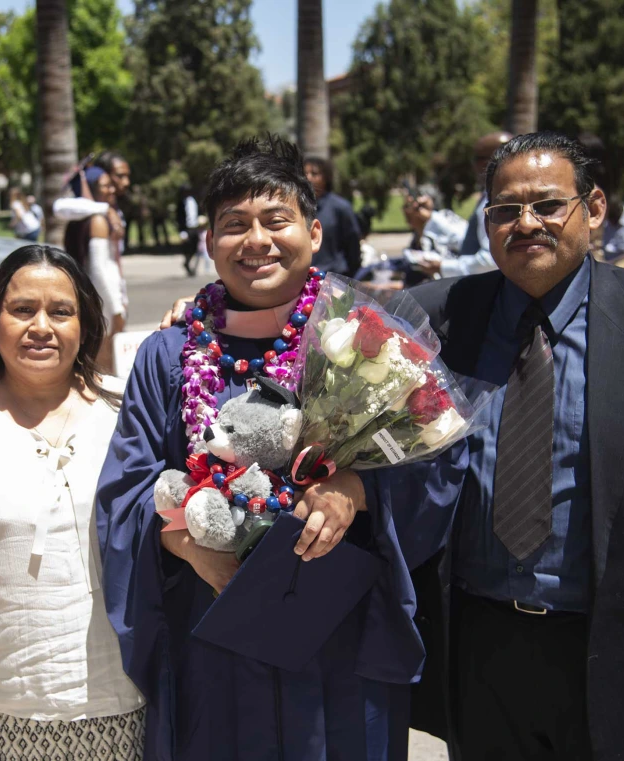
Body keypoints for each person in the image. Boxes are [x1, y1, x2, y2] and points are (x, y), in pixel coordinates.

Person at [97, 135, 466, 760]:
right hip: (212, 639)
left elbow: (442, 466)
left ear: (314, 233)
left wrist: (361, 487)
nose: (257, 240)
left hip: (338, 638)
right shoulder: (167, 356)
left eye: (276, 220)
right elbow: (124, 492)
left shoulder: (367, 341)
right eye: (234, 225)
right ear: (209, 243)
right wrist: (183, 541)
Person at [406, 132, 624, 761]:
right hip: (479, 642)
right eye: (505, 210)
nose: (527, 223)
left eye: (547, 205)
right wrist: (206, 317)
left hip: (618, 633)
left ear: (593, 209)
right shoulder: (435, 319)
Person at [0, 245, 145, 760]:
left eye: (60, 312)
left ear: (84, 325)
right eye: (23, 310)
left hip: (116, 689)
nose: (41, 326)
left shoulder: (125, 410)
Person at [419, 132, 512, 281]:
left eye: (478, 158)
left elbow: (490, 260)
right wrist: (431, 217)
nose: (474, 165)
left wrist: (443, 266)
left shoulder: (496, 200)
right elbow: (473, 239)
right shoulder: (489, 194)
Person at [63, 167, 127, 371]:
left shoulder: (80, 221)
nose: (111, 189)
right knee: (106, 366)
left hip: (94, 300)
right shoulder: (98, 221)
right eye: (104, 186)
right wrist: (116, 309)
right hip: (104, 304)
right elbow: (99, 271)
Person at [304, 156, 362, 275]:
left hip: (333, 277)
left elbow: (353, 244)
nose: (308, 178)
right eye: (305, 173)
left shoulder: (340, 207)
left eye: (314, 174)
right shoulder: (296, 207)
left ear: (326, 178)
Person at [175, 184, 200, 275]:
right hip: (186, 228)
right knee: (187, 247)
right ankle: (187, 263)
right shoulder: (181, 203)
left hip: (195, 227)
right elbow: (179, 218)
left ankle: (188, 262)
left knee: (195, 246)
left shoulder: (193, 200)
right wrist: (182, 231)